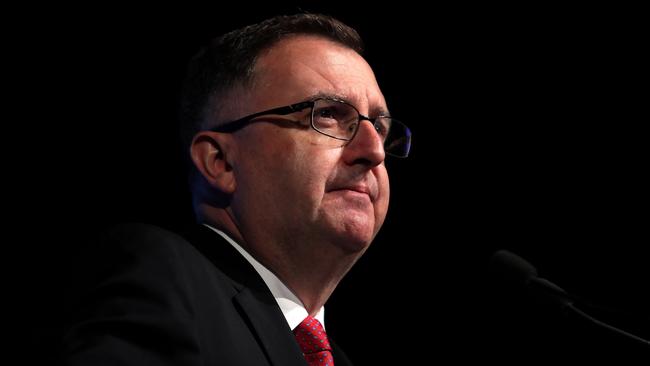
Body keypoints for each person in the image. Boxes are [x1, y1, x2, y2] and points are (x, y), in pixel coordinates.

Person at [61, 13, 411, 366]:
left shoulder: (337, 360)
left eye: (380, 128)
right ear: (220, 161)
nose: (374, 151)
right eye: (327, 114)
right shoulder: (163, 277)